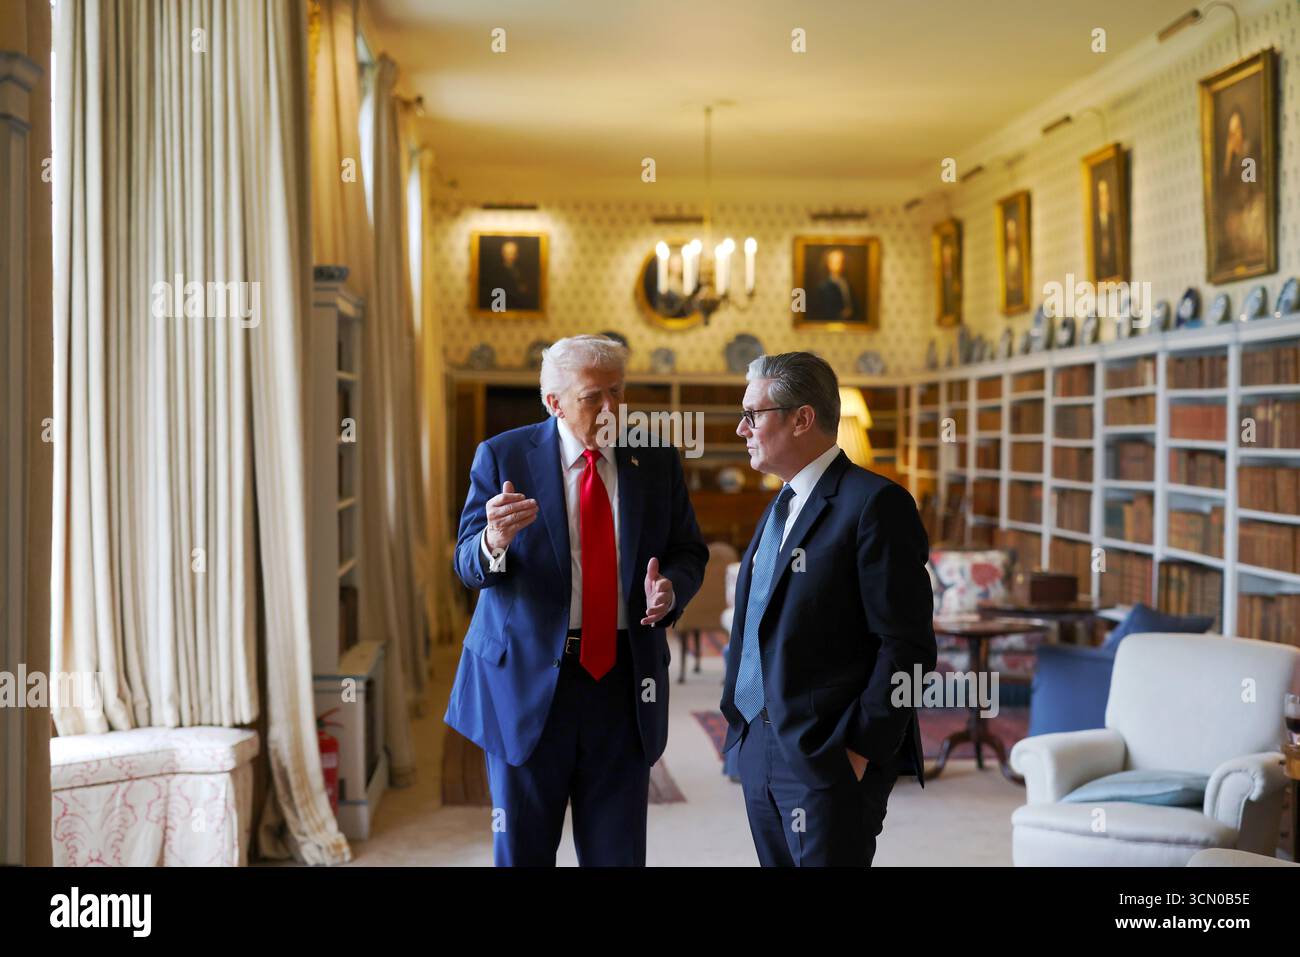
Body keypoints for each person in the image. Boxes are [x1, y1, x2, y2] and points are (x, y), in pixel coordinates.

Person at [446, 334, 708, 866]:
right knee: (523, 850)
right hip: (528, 679)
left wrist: (671, 588)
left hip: (623, 680)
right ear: (555, 402)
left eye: (618, 392)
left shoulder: (654, 458)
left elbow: (688, 550)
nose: (610, 408)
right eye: (593, 397)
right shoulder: (503, 455)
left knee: (618, 852)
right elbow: (466, 565)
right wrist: (493, 542)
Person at [719, 352, 936, 866]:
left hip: (828, 754)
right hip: (759, 743)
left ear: (802, 418)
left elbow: (906, 645)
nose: (740, 428)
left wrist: (857, 752)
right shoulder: (781, 504)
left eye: (753, 415)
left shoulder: (876, 503)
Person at [811, 248, 856, 322]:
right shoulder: (823, 287)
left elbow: (853, 305)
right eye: (835, 262)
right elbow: (821, 311)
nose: (839, 265)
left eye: (841, 262)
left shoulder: (847, 283)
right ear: (829, 264)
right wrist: (840, 315)